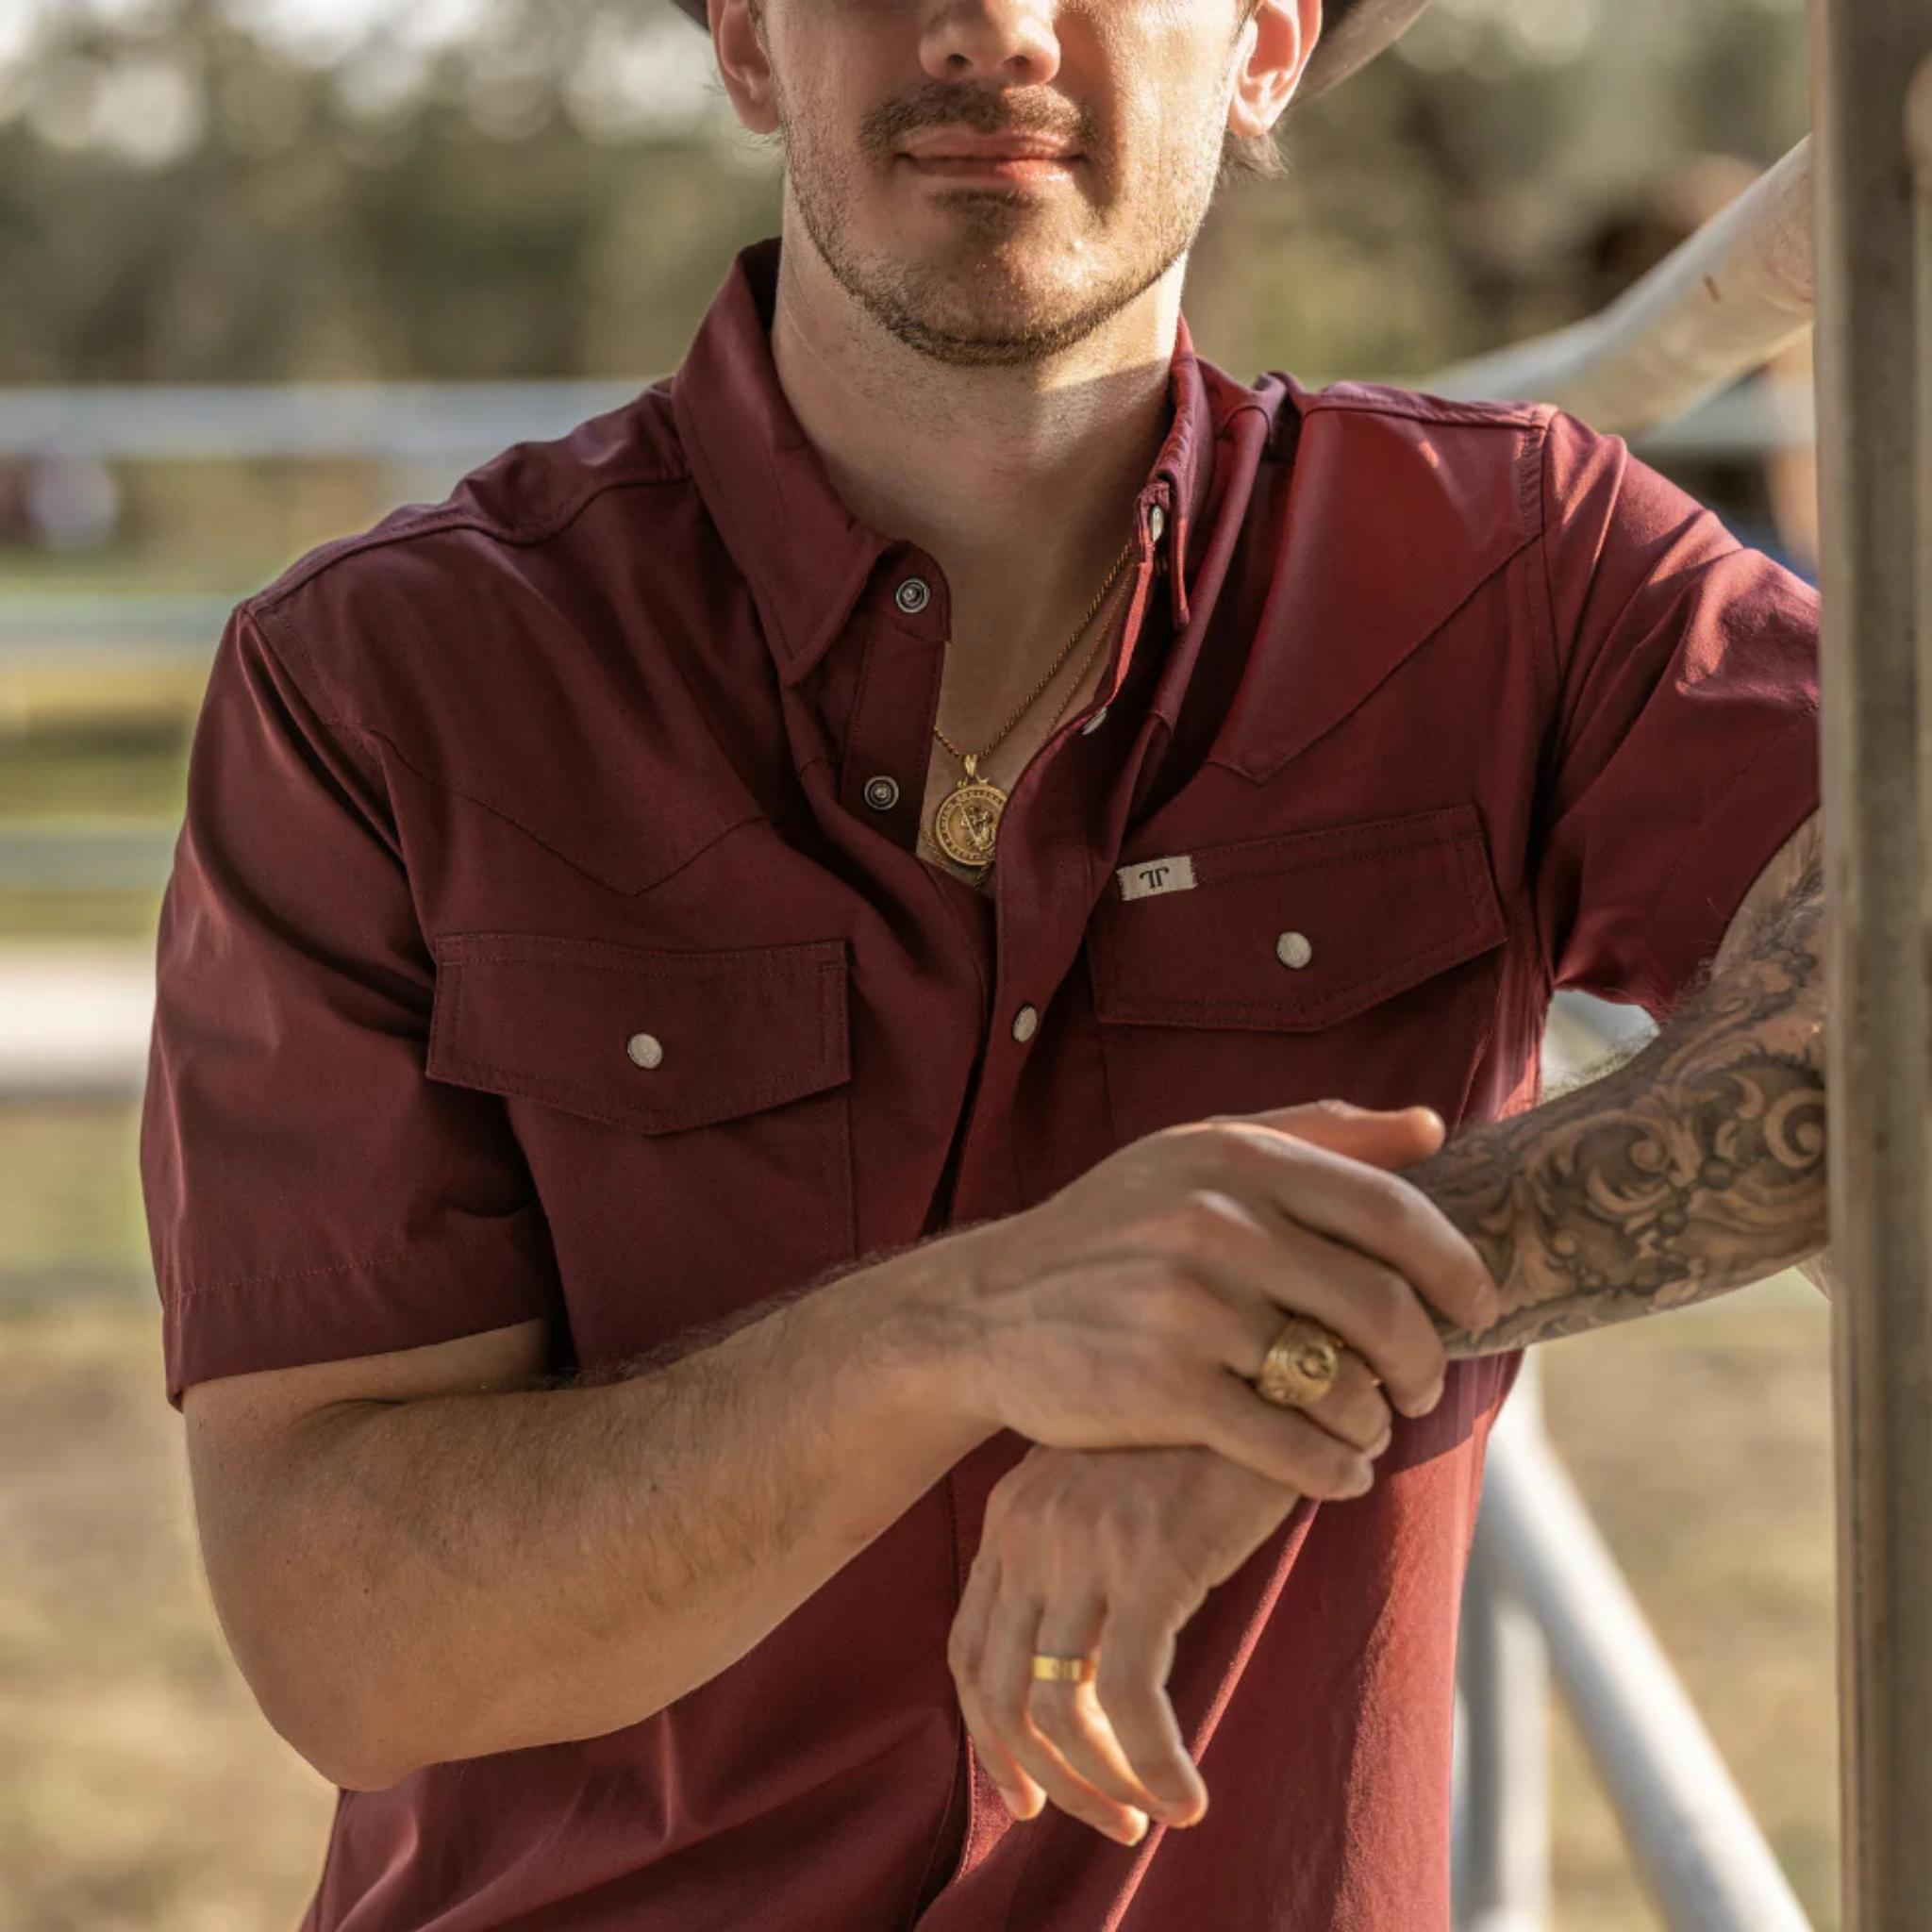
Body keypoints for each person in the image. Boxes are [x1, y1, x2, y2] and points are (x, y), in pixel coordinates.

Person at [140, 4, 1825, 1928]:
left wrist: (1288, 1342)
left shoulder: (1512, 569)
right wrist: (964, 1325)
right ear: (753, 47)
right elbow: (342, 1644)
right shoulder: (386, 682)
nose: (985, 27)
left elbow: (1909, 945)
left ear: (1263, 47)